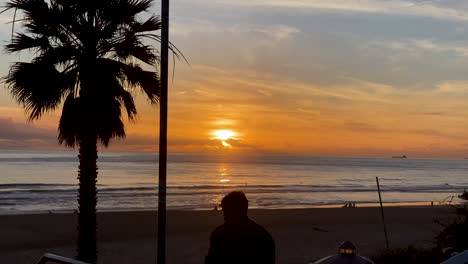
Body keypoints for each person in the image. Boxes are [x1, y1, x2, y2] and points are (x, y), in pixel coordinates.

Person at [205, 191, 275, 264]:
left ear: (240, 210)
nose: (224, 215)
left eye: (227, 210)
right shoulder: (264, 236)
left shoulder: (219, 234)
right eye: (224, 211)